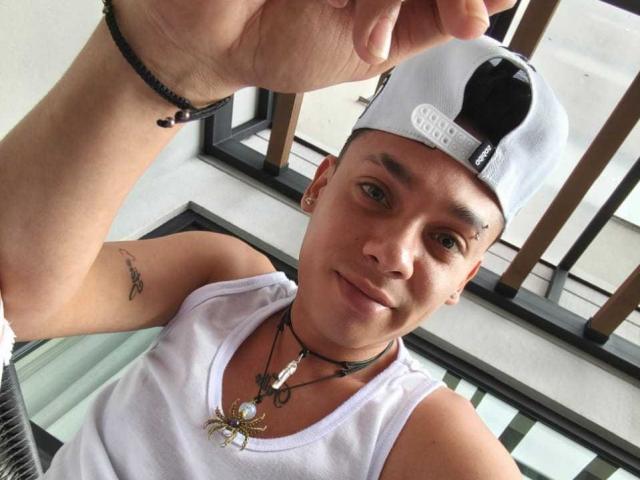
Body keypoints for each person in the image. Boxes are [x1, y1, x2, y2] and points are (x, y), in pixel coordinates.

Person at [0, 0, 568, 478]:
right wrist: (170, 56)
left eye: (445, 241)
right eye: (375, 192)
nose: (393, 253)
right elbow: (14, 300)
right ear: (319, 186)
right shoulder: (218, 276)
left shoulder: (425, 433)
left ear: (463, 279)